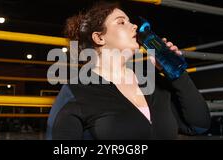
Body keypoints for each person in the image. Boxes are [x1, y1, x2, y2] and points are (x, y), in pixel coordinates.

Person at [46, 1, 211, 140]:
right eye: (121, 22)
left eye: (130, 21)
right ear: (99, 37)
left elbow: (199, 125)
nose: (134, 26)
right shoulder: (76, 92)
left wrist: (176, 72)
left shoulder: (151, 80)